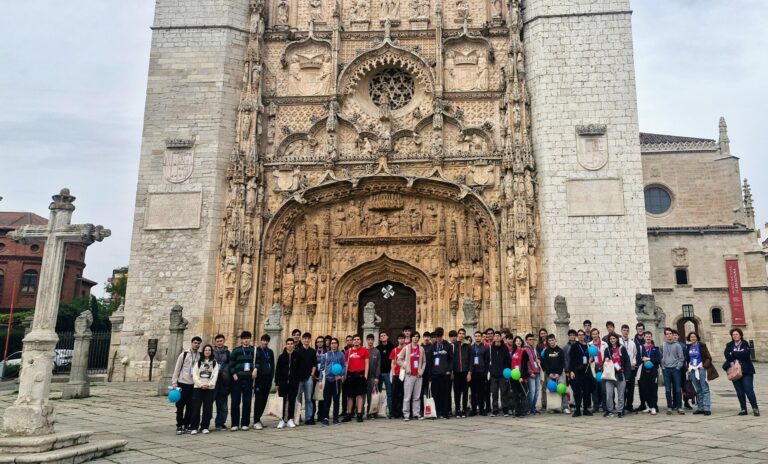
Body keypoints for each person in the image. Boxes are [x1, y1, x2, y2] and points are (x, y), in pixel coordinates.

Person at [724, 328, 759, 416]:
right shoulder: (729, 345)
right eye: (733, 335)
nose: (735, 336)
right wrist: (738, 352)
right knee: (739, 391)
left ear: (740, 335)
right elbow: (727, 356)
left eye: (737, 334)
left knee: (748, 389)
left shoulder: (745, 343)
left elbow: (746, 354)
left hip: (746, 370)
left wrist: (733, 353)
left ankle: (755, 408)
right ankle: (743, 409)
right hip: (734, 371)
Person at [171, 336, 201, 435]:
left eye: (198, 343)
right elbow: (177, 368)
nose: (196, 345)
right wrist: (174, 382)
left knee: (190, 407)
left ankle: (187, 424)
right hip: (182, 383)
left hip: (193, 385)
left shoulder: (199, 356)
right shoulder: (183, 354)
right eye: (195, 343)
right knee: (180, 406)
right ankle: (179, 425)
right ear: (191, 343)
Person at [189, 344, 219, 434]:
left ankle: (205, 427)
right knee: (196, 408)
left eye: (209, 350)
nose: (207, 352)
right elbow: (195, 374)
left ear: (211, 352)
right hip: (198, 388)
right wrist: (201, 384)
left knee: (207, 409)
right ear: (203, 351)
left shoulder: (214, 362)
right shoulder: (198, 362)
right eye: (206, 350)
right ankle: (194, 427)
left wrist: (209, 384)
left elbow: (215, 375)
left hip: (210, 389)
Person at [229, 331, 255, 431]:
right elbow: (231, 364)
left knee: (247, 402)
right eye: (244, 338)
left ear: (250, 339)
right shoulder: (236, 350)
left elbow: (257, 361)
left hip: (249, 378)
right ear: (241, 340)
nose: (246, 340)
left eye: (248, 338)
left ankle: (245, 423)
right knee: (235, 401)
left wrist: (256, 369)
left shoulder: (254, 350)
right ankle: (234, 424)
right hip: (237, 379)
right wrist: (233, 373)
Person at [686, 332, 717, 416]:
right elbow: (687, 358)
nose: (693, 338)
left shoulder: (702, 345)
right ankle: (700, 408)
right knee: (698, 389)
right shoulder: (688, 347)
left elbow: (708, 357)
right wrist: (688, 367)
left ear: (697, 338)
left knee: (704, 388)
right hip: (692, 369)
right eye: (691, 337)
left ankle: (707, 408)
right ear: (689, 338)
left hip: (701, 368)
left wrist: (704, 366)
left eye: (694, 337)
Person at [398, 331, 426, 420]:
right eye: (414, 336)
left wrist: (421, 371)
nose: (415, 338)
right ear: (411, 338)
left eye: (417, 336)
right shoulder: (406, 348)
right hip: (409, 376)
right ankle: (406, 414)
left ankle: (416, 414)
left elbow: (424, 361)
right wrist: (406, 367)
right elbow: (399, 359)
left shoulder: (421, 349)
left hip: (418, 376)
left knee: (417, 397)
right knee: (407, 396)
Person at [602, 333, 631, 418]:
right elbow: (605, 361)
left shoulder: (622, 348)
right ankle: (609, 410)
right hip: (610, 375)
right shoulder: (607, 349)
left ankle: (620, 410)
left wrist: (627, 376)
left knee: (621, 395)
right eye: (610, 339)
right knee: (609, 394)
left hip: (620, 374)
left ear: (617, 339)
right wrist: (606, 360)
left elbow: (627, 362)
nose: (612, 340)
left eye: (613, 338)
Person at [426, 327, 453, 419]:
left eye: (440, 337)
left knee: (445, 394)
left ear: (442, 336)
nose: (439, 339)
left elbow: (451, 359)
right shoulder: (432, 347)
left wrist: (449, 370)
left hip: (445, 374)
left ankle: (445, 412)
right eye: (437, 337)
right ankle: (436, 412)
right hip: (435, 374)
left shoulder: (448, 346)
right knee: (435, 394)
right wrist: (430, 376)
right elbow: (429, 362)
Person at [319, 338, 346, 425]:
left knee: (336, 399)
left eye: (335, 343)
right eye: (332, 343)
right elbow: (322, 368)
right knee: (327, 399)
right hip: (327, 380)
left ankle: (335, 417)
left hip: (337, 381)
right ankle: (325, 417)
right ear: (330, 345)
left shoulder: (341, 354)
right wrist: (320, 380)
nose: (334, 345)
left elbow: (344, 366)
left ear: (337, 344)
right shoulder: (326, 355)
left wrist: (341, 375)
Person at [343, 334, 370, 422]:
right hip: (350, 376)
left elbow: (367, 363)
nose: (356, 341)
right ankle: (349, 414)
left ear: (360, 341)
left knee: (360, 395)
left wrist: (365, 375)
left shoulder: (364, 350)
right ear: (352, 341)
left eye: (358, 339)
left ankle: (359, 414)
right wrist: (345, 375)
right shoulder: (348, 351)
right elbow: (345, 364)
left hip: (360, 375)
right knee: (350, 396)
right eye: (355, 339)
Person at [275, 338, 301, 428]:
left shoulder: (297, 356)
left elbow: (300, 369)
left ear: (294, 345)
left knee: (292, 401)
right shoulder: (281, 357)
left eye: (291, 344)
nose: (290, 345)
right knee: (282, 401)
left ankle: (290, 419)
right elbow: (277, 370)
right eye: (288, 344)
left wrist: (297, 380)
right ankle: (281, 420)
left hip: (293, 383)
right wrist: (276, 383)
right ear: (286, 345)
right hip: (283, 382)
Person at [252, 334, 275, 430]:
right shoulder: (256, 351)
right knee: (259, 400)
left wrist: (271, 377)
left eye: (267, 341)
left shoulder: (270, 352)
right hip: (259, 379)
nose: (265, 342)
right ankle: (256, 420)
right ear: (261, 340)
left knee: (264, 400)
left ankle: (258, 418)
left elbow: (272, 364)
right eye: (264, 340)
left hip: (268, 379)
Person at [568, 330, 593, 417]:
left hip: (586, 371)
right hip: (577, 371)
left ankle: (585, 409)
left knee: (586, 391)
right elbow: (571, 359)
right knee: (577, 391)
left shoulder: (589, 346)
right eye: (579, 335)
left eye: (582, 335)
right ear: (577, 336)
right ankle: (578, 410)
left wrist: (592, 359)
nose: (581, 336)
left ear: (584, 336)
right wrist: (571, 371)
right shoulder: (574, 346)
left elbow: (592, 357)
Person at [542, 334, 569, 414]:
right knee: (551, 389)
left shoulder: (560, 350)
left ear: (555, 340)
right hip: (550, 374)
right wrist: (549, 373)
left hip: (559, 373)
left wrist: (558, 373)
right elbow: (545, 363)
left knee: (562, 388)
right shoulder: (546, 351)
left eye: (552, 340)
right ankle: (553, 407)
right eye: (549, 340)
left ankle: (565, 407)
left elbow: (562, 363)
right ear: (548, 342)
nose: (551, 342)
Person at [661, 327, 685, 415]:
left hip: (675, 369)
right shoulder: (663, 345)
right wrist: (663, 366)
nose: (669, 335)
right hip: (666, 370)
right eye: (667, 334)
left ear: (672, 334)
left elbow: (681, 358)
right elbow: (661, 357)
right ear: (665, 335)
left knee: (678, 388)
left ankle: (679, 407)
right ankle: (669, 407)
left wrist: (678, 367)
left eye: (670, 334)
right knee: (668, 389)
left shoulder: (677, 345)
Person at [296, 332, 317, 425]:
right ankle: (296, 417)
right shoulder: (298, 351)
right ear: (302, 339)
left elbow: (314, 364)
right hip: (299, 378)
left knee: (308, 398)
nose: (307, 340)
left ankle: (309, 418)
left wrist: (312, 374)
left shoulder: (313, 351)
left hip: (308, 378)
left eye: (308, 338)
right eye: (305, 338)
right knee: (298, 398)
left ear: (310, 340)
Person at [488, 331, 511, 417]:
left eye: (498, 336)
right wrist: (490, 370)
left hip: (502, 375)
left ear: (501, 337)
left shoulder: (505, 348)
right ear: (493, 338)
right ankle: (495, 410)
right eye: (495, 336)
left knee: (504, 393)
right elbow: (488, 360)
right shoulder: (491, 348)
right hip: (494, 375)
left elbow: (508, 361)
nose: (497, 337)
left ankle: (505, 410)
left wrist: (506, 372)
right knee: (494, 393)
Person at [638, 331, 661, 415]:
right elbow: (638, 359)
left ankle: (654, 407)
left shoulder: (655, 348)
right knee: (645, 389)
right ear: (644, 337)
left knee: (653, 389)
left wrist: (649, 359)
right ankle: (648, 406)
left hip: (653, 371)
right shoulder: (641, 348)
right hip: (644, 371)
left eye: (649, 336)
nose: (648, 338)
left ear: (651, 338)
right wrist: (642, 359)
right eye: (646, 336)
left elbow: (658, 360)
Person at [212, 334, 231, 431]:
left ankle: (220, 423)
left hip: (224, 381)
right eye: (218, 341)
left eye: (221, 341)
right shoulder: (211, 352)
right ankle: (205, 423)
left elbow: (231, 366)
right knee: (208, 404)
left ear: (224, 341)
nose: (219, 343)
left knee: (223, 405)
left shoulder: (228, 353)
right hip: (212, 382)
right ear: (215, 342)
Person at [469, 330, 490, 416]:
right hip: (473, 372)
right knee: (473, 391)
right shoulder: (471, 348)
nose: (477, 337)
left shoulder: (485, 348)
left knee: (482, 391)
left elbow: (487, 361)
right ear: (474, 337)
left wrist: (486, 372)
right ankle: (473, 409)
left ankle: (481, 409)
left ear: (481, 337)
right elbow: (469, 360)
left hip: (482, 372)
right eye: (476, 336)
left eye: (479, 336)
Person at [452, 328, 472, 418]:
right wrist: (452, 371)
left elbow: (471, 360)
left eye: (463, 333)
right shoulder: (454, 345)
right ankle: (457, 409)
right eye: (460, 333)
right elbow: (451, 360)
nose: (461, 335)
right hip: (456, 372)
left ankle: (464, 409)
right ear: (457, 335)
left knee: (465, 392)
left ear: (464, 335)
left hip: (465, 372)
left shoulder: (468, 346)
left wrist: (469, 373)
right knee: (457, 392)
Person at [619, 324, 638, 414]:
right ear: (621, 331)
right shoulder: (618, 342)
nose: (625, 332)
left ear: (629, 331)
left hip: (631, 368)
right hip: (622, 368)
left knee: (631, 388)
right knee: (622, 388)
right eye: (624, 330)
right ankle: (621, 406)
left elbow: (634, 354)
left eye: (627, 330)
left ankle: (629, 405)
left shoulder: (632, 343)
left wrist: (634, 362)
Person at [509, 336, 530, 417]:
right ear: (514, 342)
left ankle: (523, 411)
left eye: (519, 340)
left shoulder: (524, 352)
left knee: (522, 394)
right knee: (515, 394)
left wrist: (522, 377)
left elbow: (525, 366)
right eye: (516, 341)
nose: (518, 342)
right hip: (513, 376)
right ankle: (517, 411)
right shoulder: (513, 351)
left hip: (521, 377)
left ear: (521, 342)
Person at [376, 331, 396, 416]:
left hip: (388, 373)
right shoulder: (377, 348)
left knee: (389, 393)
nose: (383, 337)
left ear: (387, 337)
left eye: (384, 335)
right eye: (381, 336)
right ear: (380, 338)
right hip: (379, 373)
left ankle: (391, 411)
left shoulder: (392, 347)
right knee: (377, 393)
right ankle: (376, 411)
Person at [588, 328, 607, 412]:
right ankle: (595, 406)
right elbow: (587, 356)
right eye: (593, 334)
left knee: (603, 389)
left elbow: (607, 354)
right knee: (594, 388)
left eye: (596, 334)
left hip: (603, 367)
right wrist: (589, 359)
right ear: (591, 335)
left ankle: (604, 405)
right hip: (593, 367)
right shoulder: (589, 345)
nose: (595, 336)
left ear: (598, 334)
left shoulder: (604, 344)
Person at [389, 333, 407, 419]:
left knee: (404, 394)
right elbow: (392, 363)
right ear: (397, 340)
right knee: (395, 394)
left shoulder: (407, 349)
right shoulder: (395, 350)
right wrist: (393, 373)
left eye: (402, 338)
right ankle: (394, 412)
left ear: (405, 339)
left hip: (405, 374)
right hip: (396, 374)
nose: (401, 340)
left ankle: (403, 411)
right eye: (399, 338)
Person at [524, 333, 542, 415]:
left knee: (537, 391)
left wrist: (538, 359)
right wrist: (530, 372)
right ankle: (528, 408)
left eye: (533, 339)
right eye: (530, 339)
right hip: (531, 373)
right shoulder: (525, 349)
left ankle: (533, 408)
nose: (532, 341)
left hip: (537, 371)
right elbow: (526, 362)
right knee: (532, 391)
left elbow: (537, 357)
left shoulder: (534, 349)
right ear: (526, 340)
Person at [365, 334, 381, 418]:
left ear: (374, 340)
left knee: (371, 396)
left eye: (371, 339)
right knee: (362, 395)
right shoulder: (363, 350)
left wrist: (377, 377)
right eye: (369, 339)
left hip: (372, 377)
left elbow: (378, 365)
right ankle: (360, 411)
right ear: (366, 340)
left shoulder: (377, 351)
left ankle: (371, 412)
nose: (370, 341)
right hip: (363, 377)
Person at [633, 322, 647, 412]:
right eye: (638, 329)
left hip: (646, 365)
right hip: (638, 366)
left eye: (641, 329)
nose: (640, 330)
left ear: (643, 330)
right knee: (640, 386)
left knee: (647, 385)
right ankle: (642, 404)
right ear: (636, 330)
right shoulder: (633, 341)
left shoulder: (648, 339)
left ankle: (649, 404)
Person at [313, 336, 326, 422]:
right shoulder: (313, 352)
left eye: (321, 341)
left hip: (323, 376)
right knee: (313, 396)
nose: (320, 343)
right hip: (314, 375)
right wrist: (313, 375)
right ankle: (312, 414)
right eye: (318, 342)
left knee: (322, 396)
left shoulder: (327, 352)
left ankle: (321, 414)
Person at [536, 328, 549, 411]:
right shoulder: (538, 345)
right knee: (543, 387)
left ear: (547, 334)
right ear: (540, 335)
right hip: (543, 368)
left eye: (544, 333)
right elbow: (538, 356)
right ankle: (544, 404)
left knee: (551, 386)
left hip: (551, 367)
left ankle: (552, 403)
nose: (543, 335)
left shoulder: (550, 343)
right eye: (542, 333)